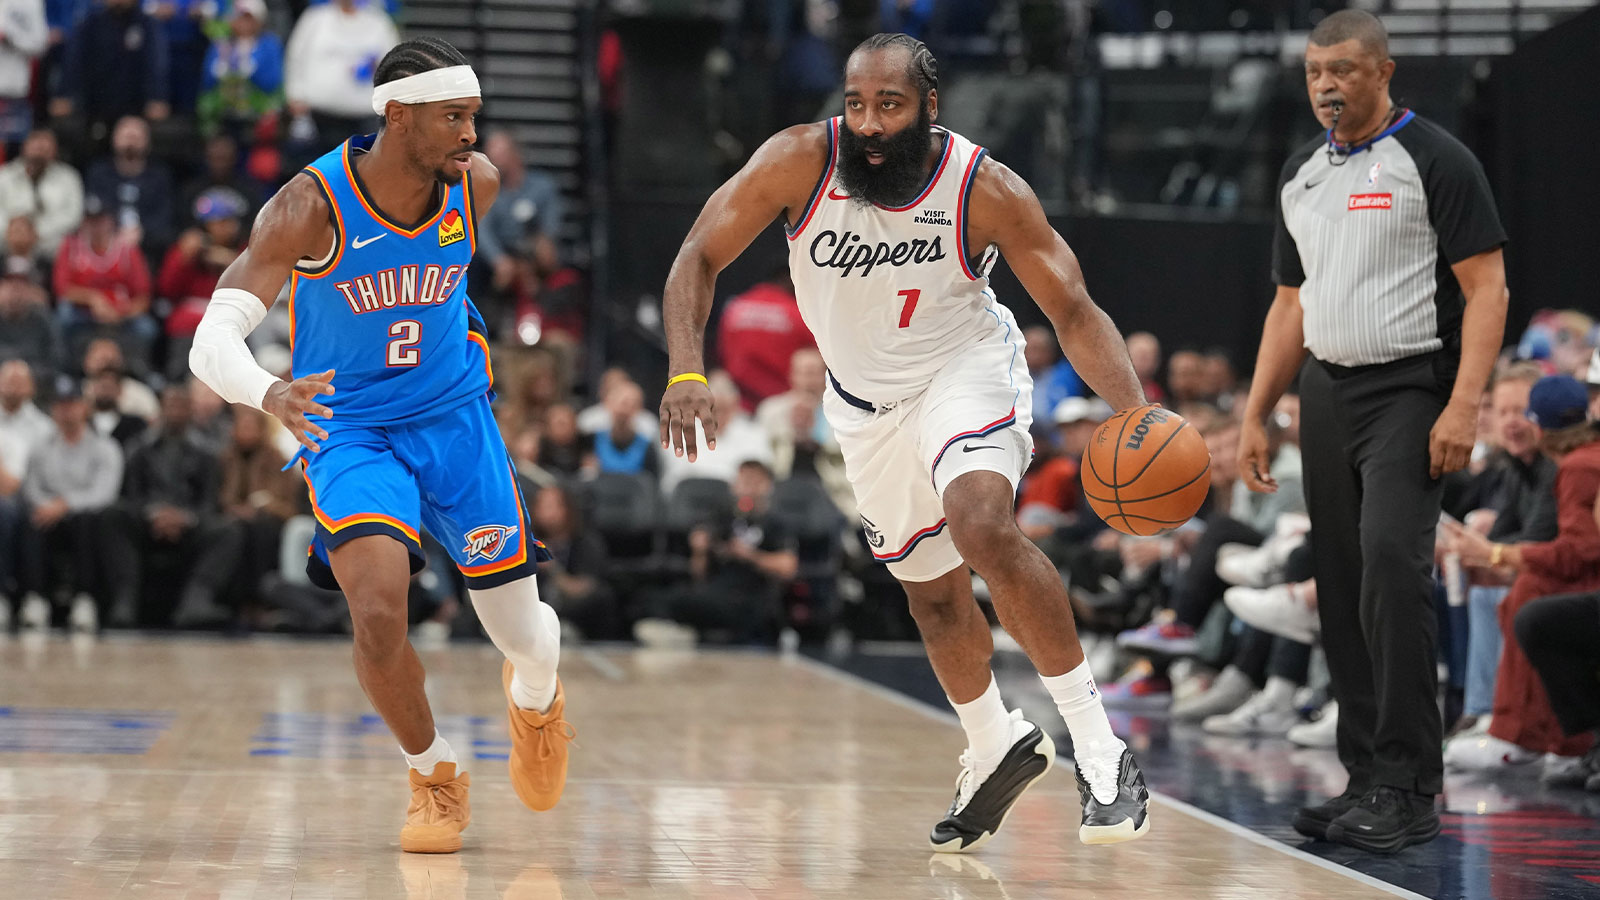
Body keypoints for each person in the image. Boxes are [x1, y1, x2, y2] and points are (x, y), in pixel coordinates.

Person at [659, 32, 1151, 849]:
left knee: (981, 526)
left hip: (965, 369)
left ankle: (1100, 751)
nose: (868, 124)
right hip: (863, 406)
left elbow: (1071, 309)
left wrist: (1135, 410)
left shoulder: (984, 186)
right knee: (930, 593)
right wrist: (685, 369)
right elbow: (697, 255)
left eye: (889, 105)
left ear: (929, 106)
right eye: (855, 104)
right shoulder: (797, 162)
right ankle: (993, 741)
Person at [186, 38, 571, 855]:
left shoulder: (478, 187)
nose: (473, 135)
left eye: (474, 115)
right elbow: (209, 341)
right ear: (397, 117)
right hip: (349, 428)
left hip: (456, 421)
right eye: (454, 118)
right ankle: (434, 775)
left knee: (522, 635)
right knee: (376, 613)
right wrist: (270, 392)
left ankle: (537, 700)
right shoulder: (307, 206)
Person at [1237, 10, 1508, 853]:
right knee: (1345, 580)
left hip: (1411, 387)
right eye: (1316, 70)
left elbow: (1489, 288)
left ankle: (1409, 783)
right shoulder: (1300, 173)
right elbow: (1290, 303)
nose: (1326, 84)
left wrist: (1465, 403)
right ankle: (1366, 776)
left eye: (1344, 70)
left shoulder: (1435, 158)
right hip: (1326, 391)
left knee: (1394, 566)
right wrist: (1255, 410)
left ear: (1383, 73)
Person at [1448, 376, 1600, 778]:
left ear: (1539, 425)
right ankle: (1518, 727)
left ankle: (1533, 735)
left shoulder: (1579, 465)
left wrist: (1496, 553)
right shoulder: (1575, 460)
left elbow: (1578, 554)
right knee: (1524, 590)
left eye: (1520, 413)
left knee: (1531, 599)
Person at [17, 377, 121, 633]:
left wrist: (65, 504)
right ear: (53, 409)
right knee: (30, 519)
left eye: (72, 404)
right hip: (47, 516)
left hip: (83, 518)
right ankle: (35, 598)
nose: (66, 410)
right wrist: (46, 506)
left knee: (88, 521)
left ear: (84, 407)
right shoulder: (40, 446)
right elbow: (31, 486)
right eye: (61, 405)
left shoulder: (105, 447)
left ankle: (84, 599)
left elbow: (104, 493)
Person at [84, 115, 177, 262]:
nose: (131, 141)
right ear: (113, 139)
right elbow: (95, 208)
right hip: (106, 245)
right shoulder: (99, 172)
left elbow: (164, 216)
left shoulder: (160, 176)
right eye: (126, 135)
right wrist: (115, 233)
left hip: (149, 247)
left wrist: (142, 233)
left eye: (136, 136)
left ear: (148, 141)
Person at [197, 0, 284, 141]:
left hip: (257, 117)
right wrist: (219, 71)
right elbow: (206, 81)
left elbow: (273, 82)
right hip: (224, 117)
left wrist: (251, 70)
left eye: (248, 18)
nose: (243, 23)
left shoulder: (269, 44)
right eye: (239, 18)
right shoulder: (221, 44)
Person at [0, 127, 84, 255]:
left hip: (52, 247)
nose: (39, 152)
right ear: (24, 147)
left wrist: (37, 231)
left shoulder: (69, 177)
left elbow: (74, 216)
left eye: (44, 149)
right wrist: (15, 231)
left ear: (54, 151)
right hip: (7, 244)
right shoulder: (4, 175)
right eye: (35, 147)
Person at [0, 0, 46, 147]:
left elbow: (40, 44)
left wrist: (10, 36)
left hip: (14, 91)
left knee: (14, 150)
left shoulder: (30, 2)